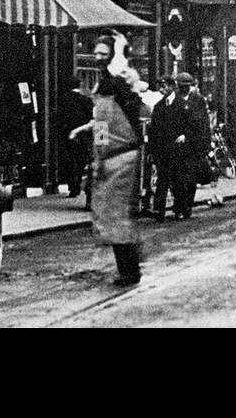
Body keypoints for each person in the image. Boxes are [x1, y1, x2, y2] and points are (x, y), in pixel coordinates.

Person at [70, 33, 144, 285]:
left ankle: (130, 269)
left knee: (115, 213)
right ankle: (129, 264)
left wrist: (121, 51)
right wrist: (95, 147)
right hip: (111, 154)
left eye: (104, 53)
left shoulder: (119, 82)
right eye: (97, 53)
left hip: (122, 155)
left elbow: (116, 114)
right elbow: (102, 121)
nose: (99, 57)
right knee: (110, 212)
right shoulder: (106, 83)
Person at [149, 73, 192, 221]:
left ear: (172, 87)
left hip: (178, 149)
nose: (162, 90)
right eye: (160, 87)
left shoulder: (182, 105)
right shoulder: (158, 107)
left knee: (178, 180)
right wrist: (151, 151)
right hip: (162, 150)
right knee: (162, 180)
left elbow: (191, 125)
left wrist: (185, 135)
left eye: (164, 86)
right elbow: (153, 131)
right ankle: (159, 211)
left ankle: (180, 209)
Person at [56, 76, 95, 202]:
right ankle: (79, 185)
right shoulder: (88, 101)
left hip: (68, 135)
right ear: (79, 86)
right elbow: (93, 120)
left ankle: (73, 187)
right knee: (81, 161)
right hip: (84, 136)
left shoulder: (63, 101)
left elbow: (59, 118)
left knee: (69, 161)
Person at [180, 75, 214, 217]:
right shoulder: (174, 99)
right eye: (182, 85)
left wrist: (206, 145)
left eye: (187, 86)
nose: (184, 88)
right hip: (179, 146)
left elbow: (204, 124)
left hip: (194, 146)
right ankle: (180, 206)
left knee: (191, 178)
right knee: (179, 177)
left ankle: (187, 206)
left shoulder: (198, 100)